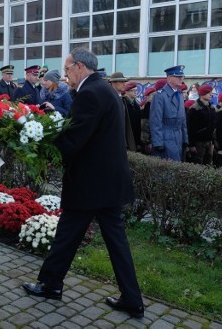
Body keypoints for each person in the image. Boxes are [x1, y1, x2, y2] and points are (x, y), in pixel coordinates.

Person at [22, 47, 144, 319]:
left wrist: (44, 145)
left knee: (68, 234)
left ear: (79, 66)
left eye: (67, 70)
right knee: (114, 241)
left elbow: (76, 137)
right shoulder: (104, 90)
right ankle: (132, 299)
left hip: (91, 183)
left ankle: (51, 285)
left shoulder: (89, 93)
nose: (66, 76)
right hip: (106, 182)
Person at [149, 65, 189, 162]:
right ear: (169, 78)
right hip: (165, 138)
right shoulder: (160, 96)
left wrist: (185, 139)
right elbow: (155, 121)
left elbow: (183, 120)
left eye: (182, 76)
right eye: (178, 77)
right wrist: (158, 143)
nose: (181, 79)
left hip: (178, 137)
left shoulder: (179, 94)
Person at [186, 84, 215, 165]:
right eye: (208, 92)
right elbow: (190, 127)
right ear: (202, 94)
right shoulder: (195, 108)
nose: (210, 95)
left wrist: (213, 142)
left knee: (208, 165)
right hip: (198, 142)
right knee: (198, 164)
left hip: (209, 141)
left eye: (211, 92)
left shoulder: (211, 107)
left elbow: (213, 125)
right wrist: (191, 144)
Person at [109, 72, 136, 151]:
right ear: (113, 83)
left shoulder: (122, 99)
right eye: (121, 82)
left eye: (124, 82)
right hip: (113, 140)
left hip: (122, 139)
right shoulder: (109, 98)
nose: (124, 84)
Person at [122, 81, 142, 152]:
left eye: (136, 90)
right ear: (126, 92)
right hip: (126, 136)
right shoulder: (123, 103)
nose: (135, 92)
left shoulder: (136, 105)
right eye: (132, 90)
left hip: (135, 136)